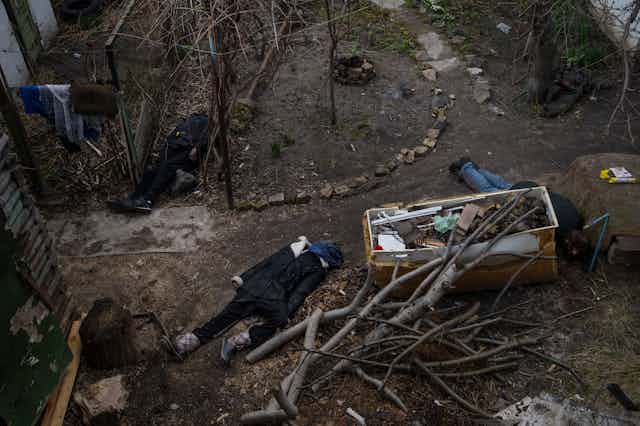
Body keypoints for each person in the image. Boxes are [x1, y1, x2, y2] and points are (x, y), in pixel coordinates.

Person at [172, 238, 343, 364]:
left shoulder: (294, 248)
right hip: (273, 298)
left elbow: (265, 263)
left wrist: (243, 279)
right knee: (277, 323)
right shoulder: (318, 270)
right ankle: (237, 341)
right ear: (329, 261)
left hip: (253, 287)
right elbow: (300, 292)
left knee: (226, 315)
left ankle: (188, 343)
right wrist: (287, 315)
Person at [449, 157, 588, 258]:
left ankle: (475, 169)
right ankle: (466, 167)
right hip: (523, 198)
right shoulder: (559, 229)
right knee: (489, 189)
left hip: (531, 187)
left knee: (502, 184)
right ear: (568, 240)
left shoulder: (576, 219)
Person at [108, 113, 208, 213]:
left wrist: (197, 148)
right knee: (151, 171)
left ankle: (148, 200)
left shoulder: (206, 121)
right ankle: (133, 198)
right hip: (176, 152)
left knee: (167, 167)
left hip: (188, 156)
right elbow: (170, 141)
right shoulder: (186, 122)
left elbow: (207, 137)